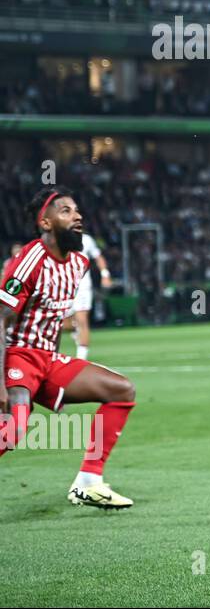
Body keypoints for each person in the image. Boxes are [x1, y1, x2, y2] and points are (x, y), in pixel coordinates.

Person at [1, 188, 137, 508]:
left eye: (77, 210)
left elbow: (52, 318)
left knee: (122, 390)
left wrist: (53, 379)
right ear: (45, 223)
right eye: (65, 211)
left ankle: (88, 483)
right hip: (17, 354)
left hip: (48, 358)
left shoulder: (79, 263)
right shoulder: (28, 261)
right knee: (16, 424)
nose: (77, 216)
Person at [61, 230, 111, 360]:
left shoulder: (87, 240)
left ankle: (81, 360)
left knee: (82, 320)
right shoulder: (58, 239)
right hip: (63, 286)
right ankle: (75, 330)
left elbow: (98, 256)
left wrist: (105, 274)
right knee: (59, 323)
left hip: (83, 286)